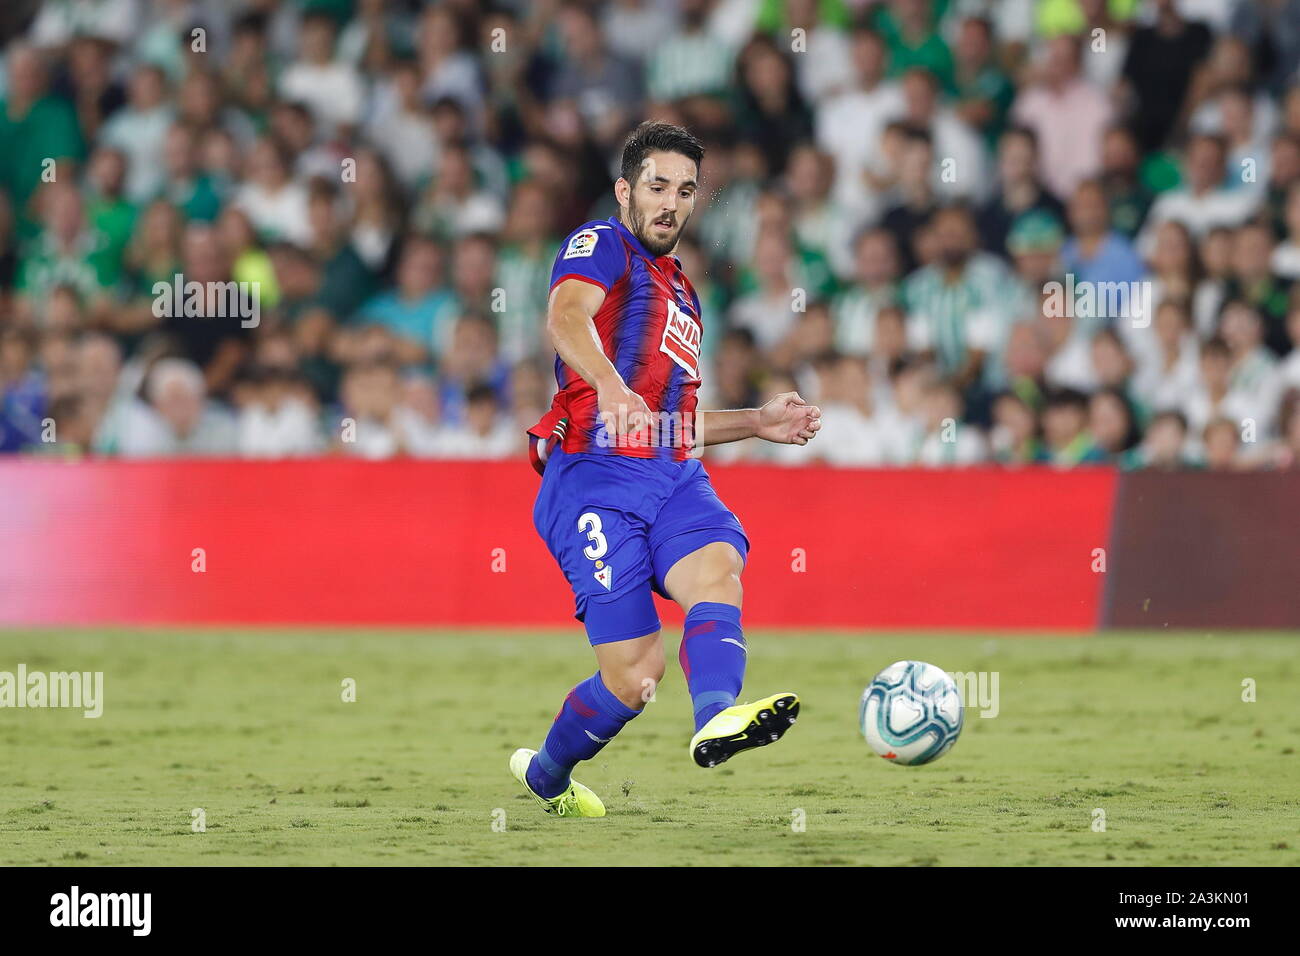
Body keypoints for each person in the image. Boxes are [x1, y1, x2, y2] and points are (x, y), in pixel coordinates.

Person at [512, 122, 822, 818]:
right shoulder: (602, 244)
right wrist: (611, 387)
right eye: (657, 186)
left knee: (719, 570)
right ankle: (547, 774)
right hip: (592, 480)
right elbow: (565, 318)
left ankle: (716, 716)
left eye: (685, 191)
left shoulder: (684, 296)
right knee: (634, 675)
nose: (671, 204)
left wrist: (757, 423)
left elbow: (669, 424)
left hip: (672, 472)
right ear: (625, 190)